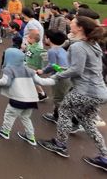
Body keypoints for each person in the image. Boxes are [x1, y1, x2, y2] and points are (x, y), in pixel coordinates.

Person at [38, 16, 107, 173]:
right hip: (100, 91)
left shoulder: (78, 46)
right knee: (87, 122)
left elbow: (76, 70)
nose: (70, 24)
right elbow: (82, 68)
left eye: (73, 23)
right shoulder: (94, 44)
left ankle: (60, 144)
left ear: (80, 28)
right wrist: (62, 70)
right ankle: (105, 157)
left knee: (64, 111)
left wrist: (55, 76)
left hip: (85, 90)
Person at [0, 48, 55, 146]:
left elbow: (5, 82)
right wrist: (55, 79)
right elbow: (42, 81)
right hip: (31, 100)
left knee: (10, 115)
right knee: (26, 117)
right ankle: (31, 137)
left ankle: (5, 131)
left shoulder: (9, 69)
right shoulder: (29, 70)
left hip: (18, 99)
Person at [38, 30, 71, 124]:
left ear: (49, 39)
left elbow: (52, 65)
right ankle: (56, 115)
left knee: (58, 99)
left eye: (45, 37)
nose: (44, 39)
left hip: (60, 77)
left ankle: (63, 119)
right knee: (62, 97)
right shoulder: (62, 50)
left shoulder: (52, 51)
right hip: (67, 76)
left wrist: (42, 71)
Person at [23, 30, 48, 101]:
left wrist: (43, 68)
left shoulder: (38, 49)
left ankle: (40, 94)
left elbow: (45, 56)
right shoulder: (31, 46)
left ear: (32, 39)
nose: (27, 39)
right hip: (29, 66)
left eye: (28, 38)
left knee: (32, 81)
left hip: (34, 68)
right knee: (33, 82)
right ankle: (42, 94)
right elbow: (28, 55)